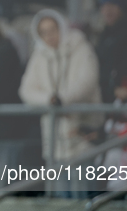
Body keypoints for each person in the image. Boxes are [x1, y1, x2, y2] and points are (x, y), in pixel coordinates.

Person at [19, 9, 102, 163]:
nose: (49, 36)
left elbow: (87, 81)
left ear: (61, 27)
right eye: (43, 32)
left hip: (83, 134)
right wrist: (49, 99)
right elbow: (26, 90)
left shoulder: (80, 46)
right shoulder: (39, 55)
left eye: (52, 29)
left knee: (83, 184)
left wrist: (63, 99)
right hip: (53, 140)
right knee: (57, 185)